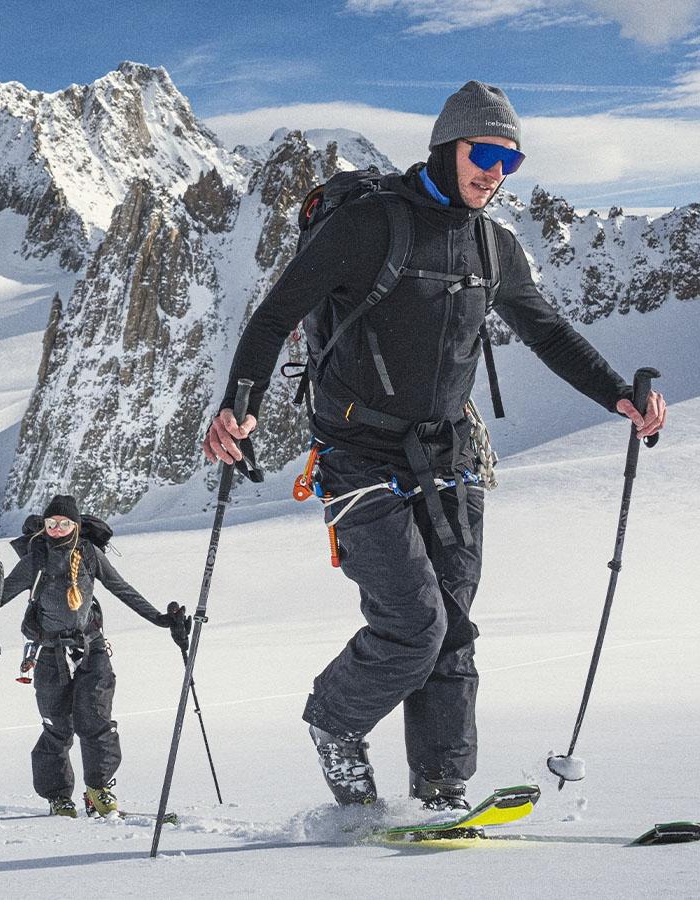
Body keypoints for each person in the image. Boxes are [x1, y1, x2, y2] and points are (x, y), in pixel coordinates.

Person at [203, 81, 666, 810]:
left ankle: (443, 793)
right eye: (484, 154)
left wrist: (619, 395)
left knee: (453, 630)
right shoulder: (369, 227)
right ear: (447, 148)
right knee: (414, 625)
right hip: (359, 454)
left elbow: (547, 331)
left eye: (510, 162)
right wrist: (240, 405)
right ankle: (335, 720)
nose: (495, 172)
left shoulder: (495, 245)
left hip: (450, 455)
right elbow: (275, 316)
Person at [0, 494, 189, 817]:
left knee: (97, 721)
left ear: (75, 526)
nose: (57, 529)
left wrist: (161, 620)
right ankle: (59, 797)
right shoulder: (37, 556)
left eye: (63, 524)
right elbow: (0, 600)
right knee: (57, 726)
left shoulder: (89, 554)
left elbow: (122, 588)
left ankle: (98, 790)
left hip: (91, 648)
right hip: (49, 652)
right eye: (51, 524)